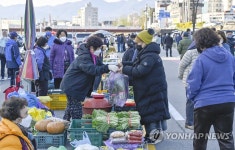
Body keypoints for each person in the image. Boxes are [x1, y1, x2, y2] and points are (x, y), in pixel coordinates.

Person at [186, 28, 235, 150]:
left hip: (205, 103)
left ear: (200, 43)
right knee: (226, 139)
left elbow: (193, 84)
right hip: (227, 102)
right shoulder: (229, 56)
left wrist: (191, 97)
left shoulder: (201, 59)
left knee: (200, 139)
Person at [122, 28, 170, 144]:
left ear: (144, 42)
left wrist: (123, 69)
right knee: (151, 113)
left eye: (138, 42)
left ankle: (155, 137)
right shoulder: (147, 53)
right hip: (149, 87)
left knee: (152, 113)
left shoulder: (150, 56)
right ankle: (151, 135)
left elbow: (139, 71)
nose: (137, 44)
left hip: (152, 89)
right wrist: (123, 64)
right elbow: (136, 64)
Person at [60, 36, 119, 121]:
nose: (99, 50)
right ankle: (76, 128)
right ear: (91, 48)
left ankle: (65, 123)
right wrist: (108, 67)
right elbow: (92, 70)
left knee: (71, 106)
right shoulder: (84, 57)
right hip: (72, 86)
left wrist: (112, 67)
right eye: (98, 48)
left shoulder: (93, 56)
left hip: (75, 85)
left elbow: (100, 66)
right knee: (76, 110)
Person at [178, 48, 201, 130]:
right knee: (191, 101)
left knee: (200, 101)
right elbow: (182, 65)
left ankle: (199, 121)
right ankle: (189, 122)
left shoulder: (207, 52)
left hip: (202, 82)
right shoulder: (191, 52)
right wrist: (181, 76)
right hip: (190, 82)